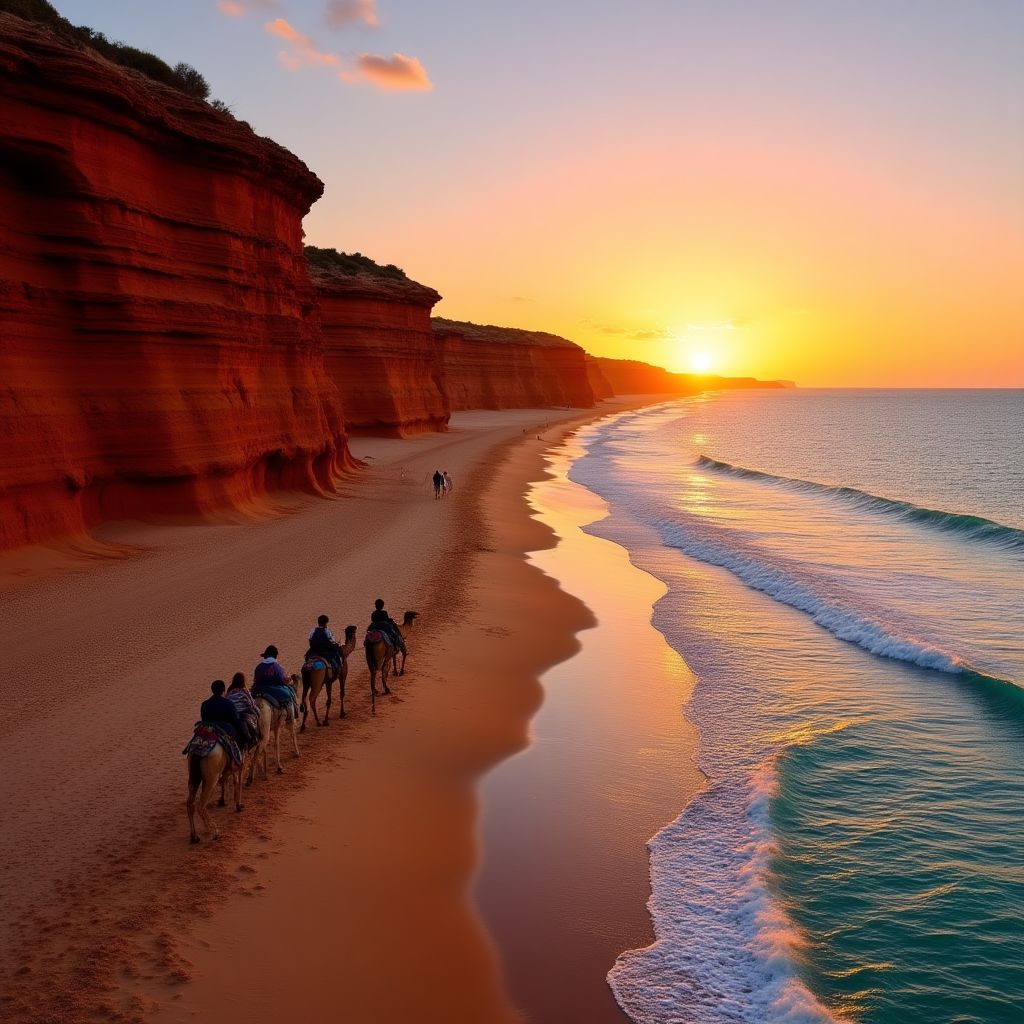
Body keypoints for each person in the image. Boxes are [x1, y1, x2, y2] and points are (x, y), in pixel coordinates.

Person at [252, 645, 299, 719]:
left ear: (265, 656)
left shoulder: (258, 666)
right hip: (272, 690)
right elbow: (281, 680)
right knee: (289, 696)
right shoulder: (277, 667)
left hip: (257, 689)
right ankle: (291, 717)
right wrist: (287, 680)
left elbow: (255, 679)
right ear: (275, 656)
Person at [200, 679, 242, 743]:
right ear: (223, 690)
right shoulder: (228, 703)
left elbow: (204, 719)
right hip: (224, 729)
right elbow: (235, 720)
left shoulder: (204, 704)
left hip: (208, 730)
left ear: (212, 690)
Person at [226, 672, 259, 748]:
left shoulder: (229, 691)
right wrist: (258, 713)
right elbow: (252, 704)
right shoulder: (245, 691)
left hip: (231, 714)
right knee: (254, 725)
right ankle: (252, 740)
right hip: (242, 713)